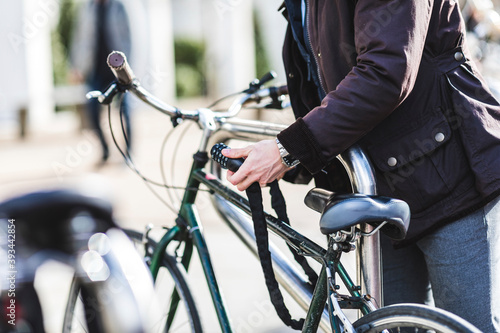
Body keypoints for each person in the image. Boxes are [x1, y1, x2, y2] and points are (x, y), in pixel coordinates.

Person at [222, 1, 500, 332]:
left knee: (468, 327)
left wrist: (287, 150)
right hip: (379, 186)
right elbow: (321, 75)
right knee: (389, 328)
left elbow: (385, 71)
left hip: (451, 175)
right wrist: (292, 158)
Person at [70, 0, 134, 164]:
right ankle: (105, 150)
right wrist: (76, 66)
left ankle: (129, 154)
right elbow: (79, 38)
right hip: (95, 69)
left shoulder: (120, 6)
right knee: (92, 111)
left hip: (119, 70)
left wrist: (129, 67)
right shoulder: (87, 8)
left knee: (125, 111)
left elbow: (130, 35)